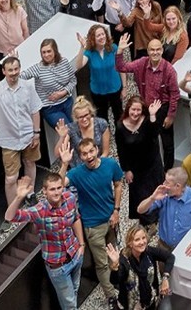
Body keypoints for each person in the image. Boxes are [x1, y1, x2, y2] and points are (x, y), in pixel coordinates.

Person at [57, 131, 124, 307]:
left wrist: (117, 210)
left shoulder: (110, 165)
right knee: (102, 264)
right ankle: (111, 297)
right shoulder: (77, 173)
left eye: (91, 151)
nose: (89, 156)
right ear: (80, 157)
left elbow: (118, 184)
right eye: (84, 154)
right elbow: (58, 184)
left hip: (111, 220)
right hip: (92, 226)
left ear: (97, 149)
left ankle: (116, 280)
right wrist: (64, 163)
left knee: (114, 256)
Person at [4, 171, 84, 310]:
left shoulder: (69, 198)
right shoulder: (39, 211)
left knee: (75, 291)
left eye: (59, 188)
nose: (56, 192)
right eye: (52, 189)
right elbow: (10, 217)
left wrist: (82, 245)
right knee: (69, 304)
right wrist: (18, 197)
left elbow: (76, 218)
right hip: (58, 266)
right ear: (44, 191)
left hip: (75, 254)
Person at [0, 58, 41, 207]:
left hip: (28, 135)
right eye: (10, 70)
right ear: (4, 71)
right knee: (11, 178)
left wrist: (36, 133)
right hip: (9, 140)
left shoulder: (27, 86)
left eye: (16, 69)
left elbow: (35, 110)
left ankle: (30, 193)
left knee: (30, 162)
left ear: (19, 69)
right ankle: (14, 206)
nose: (14, 73)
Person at [115, 35, 181, 171]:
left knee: (167, 142)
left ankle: (167, 170)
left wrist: (171, 115)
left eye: (158, 49)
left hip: (163, 108)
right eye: (152, 50)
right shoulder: (141, 63)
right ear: (148, 51)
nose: (155, 52)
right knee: (147, 138)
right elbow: (121, 67)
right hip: (146, 108)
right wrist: (120, 51)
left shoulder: (169, 70)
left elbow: (175, 94)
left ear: (162, 51)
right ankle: (150, 166)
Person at [137, 167, 191, 258]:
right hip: (164, 247)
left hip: (184, 249)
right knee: (164, 271)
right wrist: (152, 198)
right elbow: (140, 210)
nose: (163, 184)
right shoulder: (164, 195)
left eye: (167, 182)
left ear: (178, 186)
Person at [115, 96, 165, 221]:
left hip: (152, 164)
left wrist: (153, 115)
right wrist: (126, 170)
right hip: (136, 168)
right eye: (133, 110)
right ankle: (146, 220)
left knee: (157, 190)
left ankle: (160, 216)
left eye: (138, 110)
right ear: (128, 109)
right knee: (140, 195)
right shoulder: (121, 127)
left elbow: (155, 134)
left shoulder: (147, 120)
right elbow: (121, 151)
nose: (135, 113)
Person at [106, 225, 173, 309]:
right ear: (130, 243)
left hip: (150, 302)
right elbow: (114, 280)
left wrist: (165, 278)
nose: (142, 242)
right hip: (131, 306)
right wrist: (115, 265)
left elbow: (170, 257)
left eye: (143, 238)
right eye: (137, 239)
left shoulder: (149, 251)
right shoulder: (124, 259)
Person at [21, 36, 77, 131]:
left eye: (49, 51)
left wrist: (62, 93)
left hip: (67, 103)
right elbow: (21, 76)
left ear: (55, 51)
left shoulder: (64, 62)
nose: (46, 55)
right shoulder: (38, 68)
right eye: (43, 52)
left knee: (77, 129)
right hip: (51, 108)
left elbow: (73, 80)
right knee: (68, 131)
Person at [75, 24, 124, 128]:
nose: (102, 37)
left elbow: (121, 68)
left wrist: (125, 87)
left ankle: (120, 136)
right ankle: (106, 137)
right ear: (93, 38)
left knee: (119, 115)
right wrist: (81, 48)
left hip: (115, 88)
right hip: (98, 91)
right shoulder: (90, 52)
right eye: (98, 35)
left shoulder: (113, 48)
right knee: (102, 118)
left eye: (103, 34)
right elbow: (78, 65)